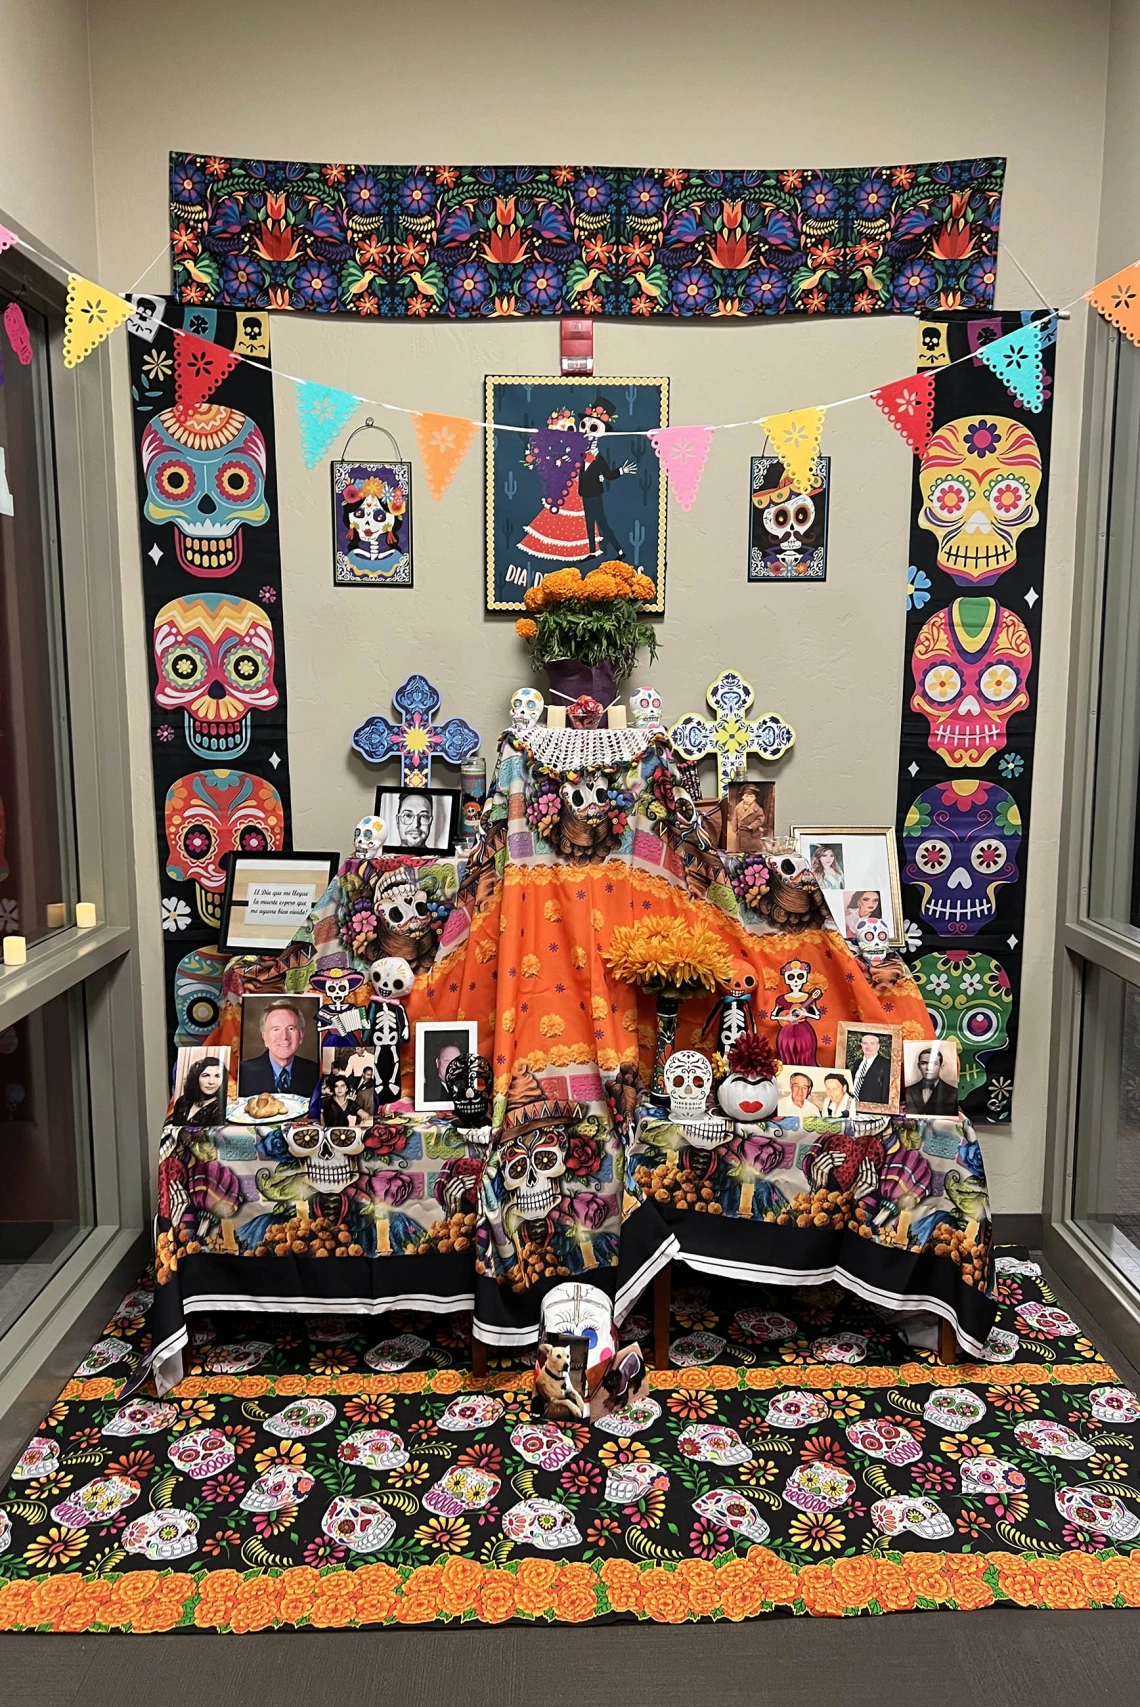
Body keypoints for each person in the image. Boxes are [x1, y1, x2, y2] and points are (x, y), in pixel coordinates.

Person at [518, 407, 591, 563]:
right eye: (560, 430)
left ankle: (575, 554)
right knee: (555, 520)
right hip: (559, 491)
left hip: (577, 492)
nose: (566, 434)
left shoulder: (581, 450)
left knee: (577, 525)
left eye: (570, 429)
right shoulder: (549, 451)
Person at [578, 397, 636, 558]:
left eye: (592, 427)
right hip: (585, 494)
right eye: (584, 425)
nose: (586, 431)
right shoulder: (582, 455)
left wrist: (622, 471)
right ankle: (592, 551)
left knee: (602, 523)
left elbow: (609, 475)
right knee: (589, 523)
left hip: (595, 495)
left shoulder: (599, 458)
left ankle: (620, 550)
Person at [240, 1000, 319, 1097]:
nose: (284, 1037)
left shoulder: (315, 1072)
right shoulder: (242, 1074)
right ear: (264, 1036)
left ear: (301, 1036)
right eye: (276, 1029)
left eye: (291, 1028)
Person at [172, 1055, 227, 1125]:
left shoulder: (223, 1107)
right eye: (206, 1075)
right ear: (196, 1077)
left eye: (217, 1076)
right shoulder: (182, 1101)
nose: (211, 1082)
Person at [905, 1044, 958, 1115]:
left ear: (941, 1066)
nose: (928, 1068)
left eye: (934, 1063)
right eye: (924, 1063)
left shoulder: (953, 1093)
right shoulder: (908, 1091)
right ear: (918, 1066)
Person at [849, 1032, 891, 1107]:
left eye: (872, 1044)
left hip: (873, 1109)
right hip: (853, 1107)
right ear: (861, 1045)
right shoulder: (857, 1063)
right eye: (865, 1043)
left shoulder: (886, 1065)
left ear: (878, 1046)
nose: (868, 1047)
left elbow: (886, 1091)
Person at [727, 784, 770, 854]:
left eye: (751, 796)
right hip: (741, 832)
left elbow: (760, 819)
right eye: (746, 796)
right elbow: (735, 818)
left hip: (752, 833)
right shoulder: (738, 807)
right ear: (743, 797)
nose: (749, 798)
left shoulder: (758, 809)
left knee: (752, 850)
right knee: (740, 849)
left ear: (755, 798)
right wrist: (734, 828)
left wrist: (752, 826)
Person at [423, 1037, 465, 1104]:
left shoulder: (469, 1089)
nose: (452, 1066)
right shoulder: (424, 1093)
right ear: (437, 1063)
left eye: (457, 1061)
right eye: (447, 1061)